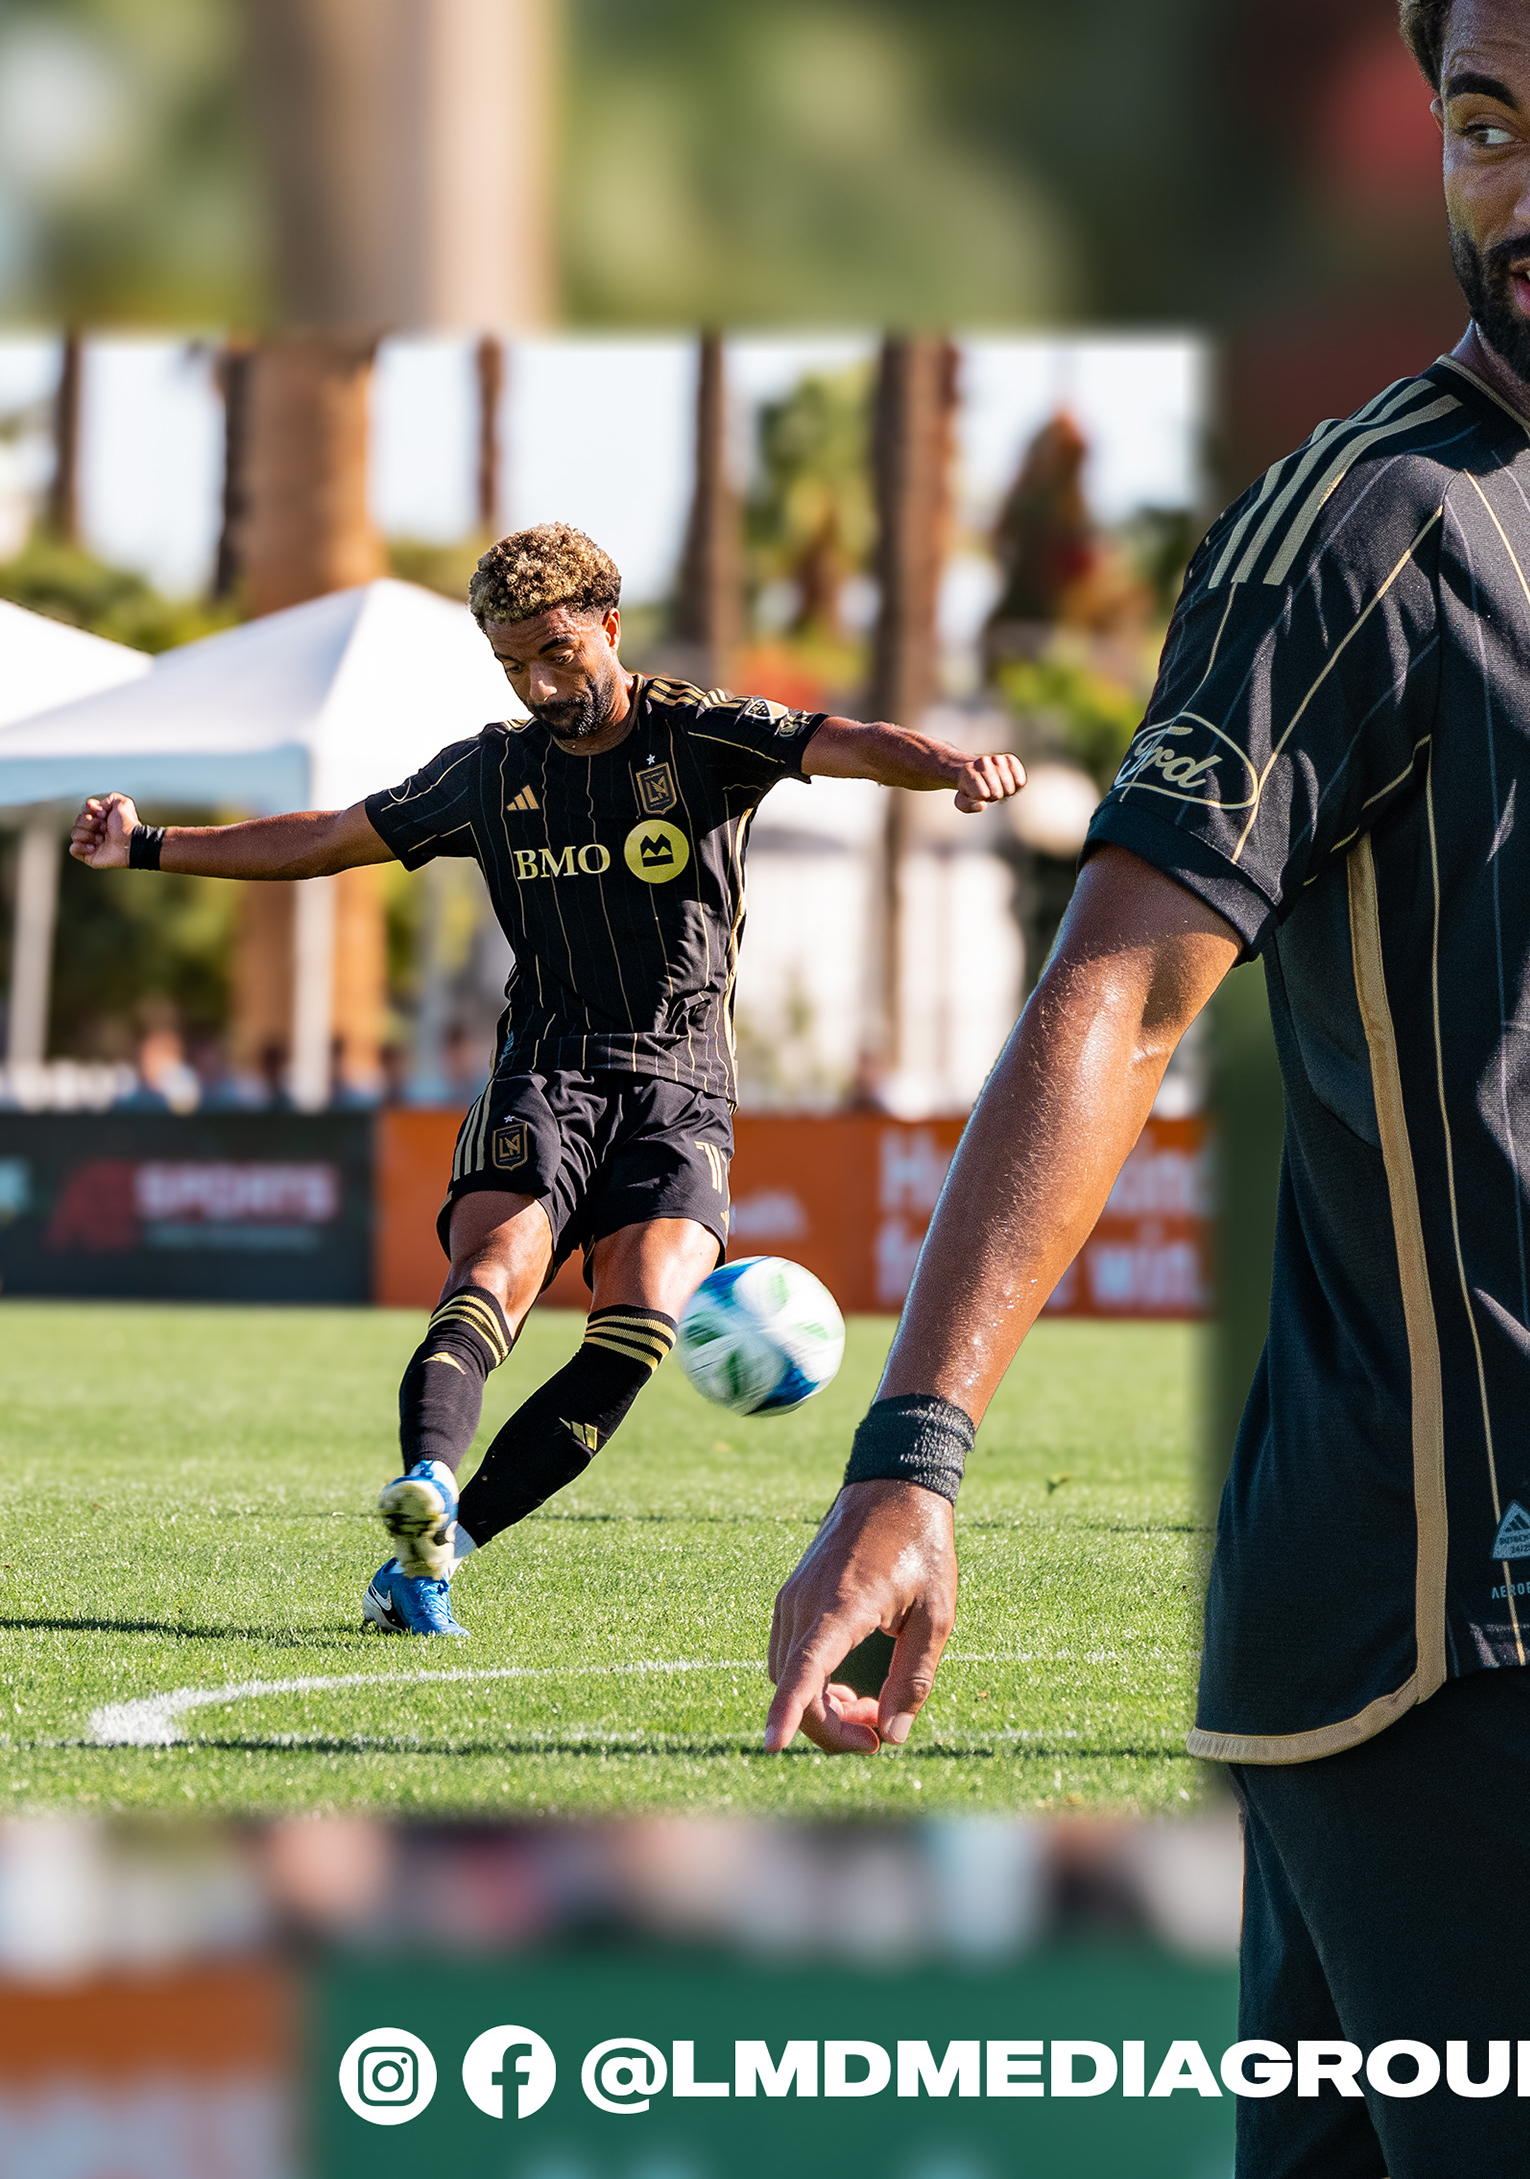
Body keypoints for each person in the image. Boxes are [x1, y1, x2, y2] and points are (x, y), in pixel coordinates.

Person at [766, 0, 1530, 2179]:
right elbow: (1118, 998)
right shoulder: (1372, 529)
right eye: (1486, 127)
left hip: (1451, 1633)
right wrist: (913, 1457)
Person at [71, 522, 1025, 1639]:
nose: (538, 685)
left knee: (641, 1325)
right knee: (494, 1275)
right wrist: (149, 844)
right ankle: (428, 1480)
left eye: (557, 653)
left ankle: (435, 1557)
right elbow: (329, 837)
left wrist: (950, 765)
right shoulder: (492, 771)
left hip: (683, 1092)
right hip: (545, 1073)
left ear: (609, 626)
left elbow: (841, 741)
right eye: (512, 663)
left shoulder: (700, 733)